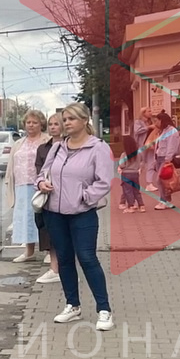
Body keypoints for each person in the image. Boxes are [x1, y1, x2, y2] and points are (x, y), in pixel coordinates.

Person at [35, 102, 115, 331]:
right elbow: (42, 173)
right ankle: (72, 305)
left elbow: (105, 181)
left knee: (88, 258)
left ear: (84, 120)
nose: (66, 123)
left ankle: (104, 310)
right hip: (54, 213)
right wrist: (42, 183)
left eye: (71, 119)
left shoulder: (97, 147)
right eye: (64, 119)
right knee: (65, 259)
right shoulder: (58, 147)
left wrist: (85, 198)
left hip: (82, 214)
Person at [4, 110, 50, 263]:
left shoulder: (47, 141)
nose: (31, 125)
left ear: (41, 124)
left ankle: (50, 252)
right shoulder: (18, 143)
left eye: (35, 122)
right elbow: (11, 165)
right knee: (25, 218)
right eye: (28, 122)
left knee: (43, 218)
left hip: (40, 186)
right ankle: (29, 251)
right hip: (21, 185)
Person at [33, 112, 64, 284]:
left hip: (67, 195)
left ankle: (66, 268)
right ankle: (54, 269)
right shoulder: (43, 148)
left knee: (67, 234)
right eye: (50, 124)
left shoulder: (70, 146)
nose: (53, 127)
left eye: (56, 124)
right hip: (47, 194)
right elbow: (39, 170)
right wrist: (41, 183)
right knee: (49, 232)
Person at [149, 111, 180, 211]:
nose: (155, 123)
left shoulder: (172, 131)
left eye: (157, 121)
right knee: (164, 181)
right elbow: (159, 146)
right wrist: (155, 159)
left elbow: (171, 146)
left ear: (162, 121)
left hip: (165, 158)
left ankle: (163, 201)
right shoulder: (162, 131)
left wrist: (168, 159)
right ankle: (166, 200)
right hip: (159, 157)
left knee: (160, 180)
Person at [119, 134, 142, 214]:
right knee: (136, 190)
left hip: (126, 174)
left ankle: (131, 206)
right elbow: (139, 164)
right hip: (135, 173)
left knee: (128, 190)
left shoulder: (124, 154)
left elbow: (122, 165)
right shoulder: (138, 154)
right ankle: (141, 205)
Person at [137, 107, 159, 192]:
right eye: (149, 111)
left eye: (151, 111)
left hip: (151, 145)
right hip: (142, 145)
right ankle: (133, 182)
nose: (151, 112)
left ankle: (149, 183)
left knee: (151, 163)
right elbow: (137, 131)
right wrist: (149, 127)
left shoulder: (152, 121)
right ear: (143, 113)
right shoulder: (138, 122)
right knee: (140, 164)